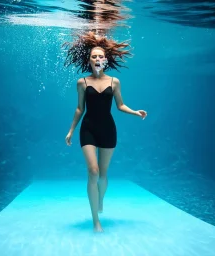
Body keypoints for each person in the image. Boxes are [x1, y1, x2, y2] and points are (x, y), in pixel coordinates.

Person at [64, 32, 147, 232]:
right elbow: (79, 109)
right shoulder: (82, 82)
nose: (98, 59)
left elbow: (120, 105)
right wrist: (71, 131)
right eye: (94, 56)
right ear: (89, 60)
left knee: (103, 173)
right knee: (93, 171)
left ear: (106, 60)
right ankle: (96, 221)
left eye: (101, 56)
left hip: (108, 129)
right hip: (88, 129)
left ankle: (100, 199)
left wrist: (135, 112)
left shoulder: (114, 82)